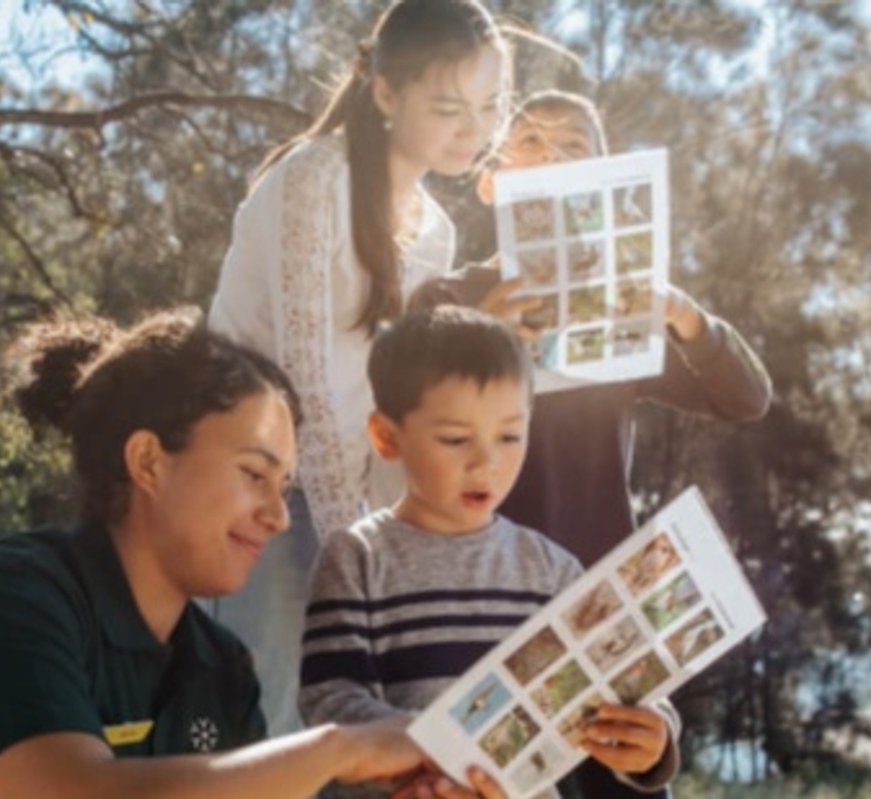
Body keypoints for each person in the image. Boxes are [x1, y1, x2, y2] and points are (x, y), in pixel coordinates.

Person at [0, 309, 434, 799]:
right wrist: (334, 749)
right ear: (149, 462)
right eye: (254, 473)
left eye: (283, 488)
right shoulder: (8, 596)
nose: (279, 515)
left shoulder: (218, 664)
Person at [416, 88, 772, 799]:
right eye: (530, 143)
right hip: (477, 604)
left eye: (574, 148)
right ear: (491, 180)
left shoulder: (622, 307)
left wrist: (685, 317)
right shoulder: (444, 298)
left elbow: (746, 399)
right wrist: (482, 333)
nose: (551, 157)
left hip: (599, 602)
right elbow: (402, 430)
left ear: (601, 186)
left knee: (625, 764)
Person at [206, 0, 513, 737]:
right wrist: (359, 558)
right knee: (270, 723)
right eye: (449, 106)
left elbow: (385, 399)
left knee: (351, 730)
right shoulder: (316, 178)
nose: (475, 129)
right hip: (254, 490)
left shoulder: (433, 230)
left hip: (342, 503)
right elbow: (306, 383)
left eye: (491, 105)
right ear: (384, 92)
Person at [298, 307, 680, 799]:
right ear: (388, 437)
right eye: (456, 439)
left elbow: (623, 682)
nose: (487, 462)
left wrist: (655, 737)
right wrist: (437, 754)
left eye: (510, 436)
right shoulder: (355, 558)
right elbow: (330, 702)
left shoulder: (551, 569)